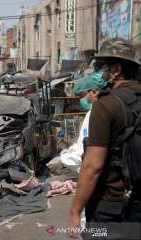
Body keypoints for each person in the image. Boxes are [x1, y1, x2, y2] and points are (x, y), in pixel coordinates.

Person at [67, 38, 141, 239]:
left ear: (115, 69)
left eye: (102, 66)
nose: (99, 72)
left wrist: (75, 212)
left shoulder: (106, 104)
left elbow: (93, 166)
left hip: (110, 209)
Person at [47, 73, 104, 230]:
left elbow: (88, 154)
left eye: (82, 95)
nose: (81, 99)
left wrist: (63, 160)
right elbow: (81, 145)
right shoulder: (90, 115)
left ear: (95, 92)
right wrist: (67, 152)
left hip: (98, 184)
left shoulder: (99, 115)